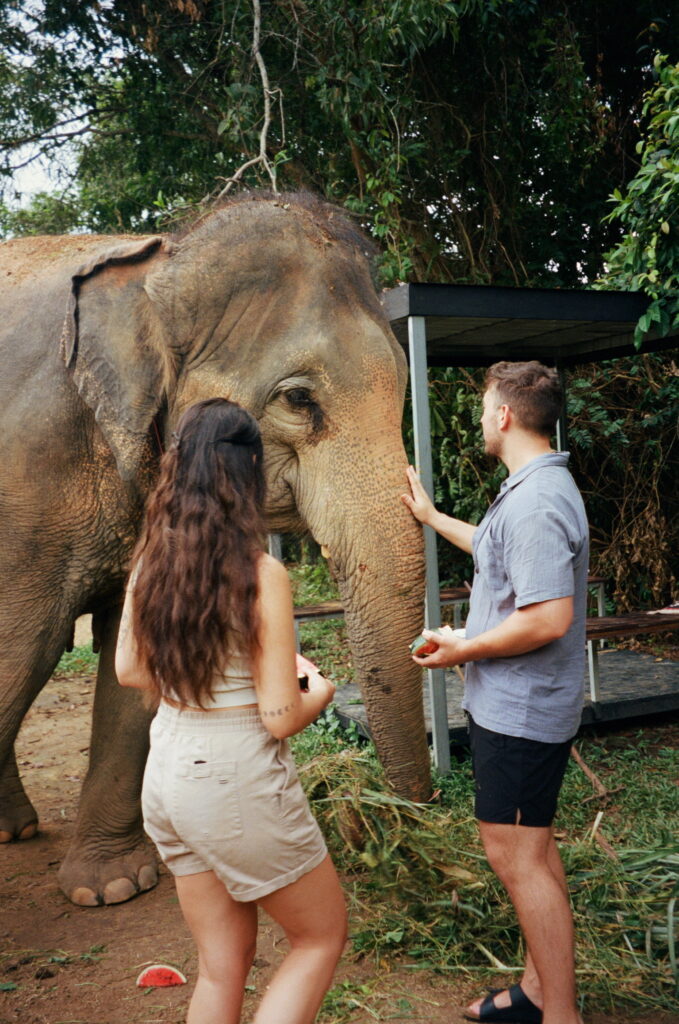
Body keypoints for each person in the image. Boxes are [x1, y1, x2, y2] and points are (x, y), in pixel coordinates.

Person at [115, 397, 346, 1024]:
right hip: (233, 777)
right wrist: (318, 692)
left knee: (223, 964)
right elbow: (277, 716)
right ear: (248, 470)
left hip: (166, 775)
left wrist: (202, 676)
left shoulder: (150, 561)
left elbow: (129, 670)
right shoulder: (261, 572)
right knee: (319, 938)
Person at [402, 361, 588, 1024]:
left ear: (504, 416)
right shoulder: (533, 489)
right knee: (530, 848)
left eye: (483, 409)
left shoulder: (536, 501)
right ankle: (540, 990)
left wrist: (462, 646)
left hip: (522, 710)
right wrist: (429, 515)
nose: (480, 419)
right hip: (520, 703)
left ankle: (557, 1014)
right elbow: (493, 548)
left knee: (516, 857)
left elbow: (546, 618)